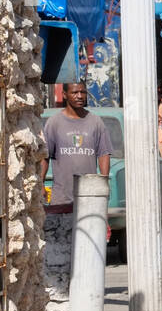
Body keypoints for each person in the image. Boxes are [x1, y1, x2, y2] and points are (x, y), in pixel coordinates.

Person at [42, 81, 112, 213]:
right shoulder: (54, 123)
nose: (79, 96)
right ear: (64, 95)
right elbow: (45, 156)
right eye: (74, 92)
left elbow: (104, 154)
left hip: (90, 197)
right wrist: (40, 182)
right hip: (61, 198)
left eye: (83, 92)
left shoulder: (96, 122)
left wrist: (103, 184)